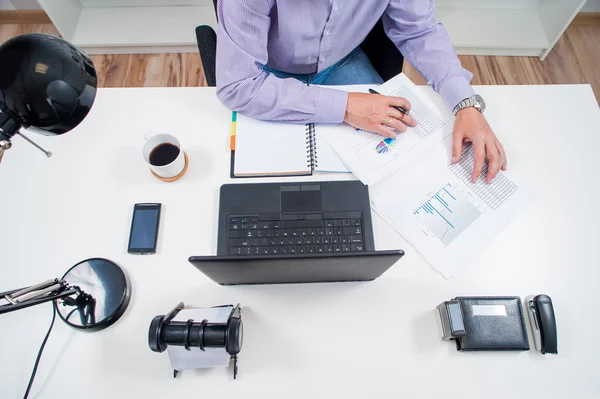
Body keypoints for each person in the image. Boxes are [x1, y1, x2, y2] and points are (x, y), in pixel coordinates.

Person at [215, 1, 507, 183]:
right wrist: (344, 106)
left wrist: (465, 103)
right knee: (265, 183)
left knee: (389, 176)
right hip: (268, 71)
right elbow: (239, 85)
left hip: (341, 60)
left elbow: (419, 31)